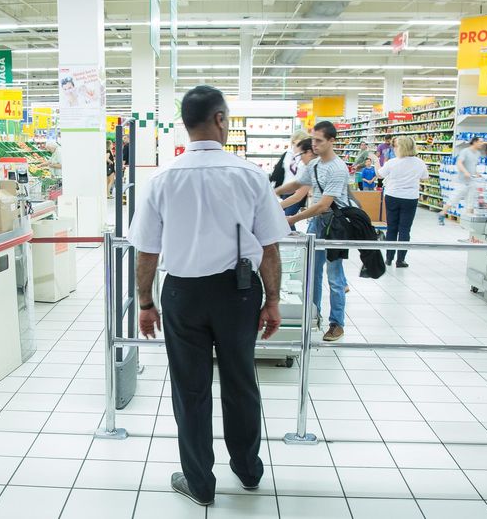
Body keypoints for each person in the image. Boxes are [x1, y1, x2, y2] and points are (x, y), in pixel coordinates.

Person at [128, 85, 289, 507]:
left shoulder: (161, 178)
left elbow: (147, 251)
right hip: (237, 292)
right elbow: (269, 247)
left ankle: (199, 482)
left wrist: (147, 303)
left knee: (190, 388)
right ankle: (248, 471)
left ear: (185, 123)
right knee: (240, 381)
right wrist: (272, 299)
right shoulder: (250, 175)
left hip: (182, 292)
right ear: (220, 119)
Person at [274, 120, 349, 342]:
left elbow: (324, 204)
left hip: (335, 226)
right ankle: (312, 316)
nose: (314, 144)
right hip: (317, 224)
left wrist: (293, 218)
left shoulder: (338, 168)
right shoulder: (315, 165)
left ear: (331, 141)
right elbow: (297, 186)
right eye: (313, 139)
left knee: (335, 277)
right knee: (312, 274)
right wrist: (271, 192)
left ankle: (337, 323)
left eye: (319, 140)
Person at [372, 136, 428, 268]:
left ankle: (388, 258)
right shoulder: (419, 162)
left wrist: (376, 162)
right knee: (405, 229)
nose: (394, 149)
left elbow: (380, 175)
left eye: (396, 146)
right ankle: (401, 260)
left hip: (392, 196)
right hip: (410, 198)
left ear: (401, 148)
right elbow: (425, 177)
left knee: (392, 228)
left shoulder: (392, 162)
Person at [439, 136, 484, 225]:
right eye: (480, 142)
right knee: (454, 197)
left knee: (470, 200)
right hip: (462, 180)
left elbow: (473, 166)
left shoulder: (478, 153)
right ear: (474, 142)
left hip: (471, 180)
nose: (482, 143)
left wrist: (476, 173)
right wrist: (465, 172)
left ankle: (468, 221)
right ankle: (442, 213)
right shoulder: (465, 151)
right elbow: (459, 163)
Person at [280, 138, 318, 229]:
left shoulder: (316, 168)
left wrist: (294, 219)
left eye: (301, 154)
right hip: (319, 217)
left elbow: (298, 196)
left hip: (331, 218)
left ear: (308, 152)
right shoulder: (313, 167)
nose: (300, 158)